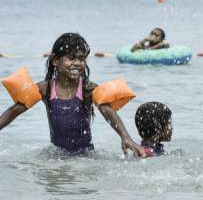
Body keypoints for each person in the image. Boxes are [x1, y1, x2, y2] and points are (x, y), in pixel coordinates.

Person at [0, 33, 145, 156]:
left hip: (86, 155)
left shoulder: (88, 89)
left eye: (81, 58)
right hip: (56, 154)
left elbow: (107, 110)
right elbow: (15, 110)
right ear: (56, 60)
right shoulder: (46, 89)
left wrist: (126, 137)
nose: (77, 63)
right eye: (71, 58)